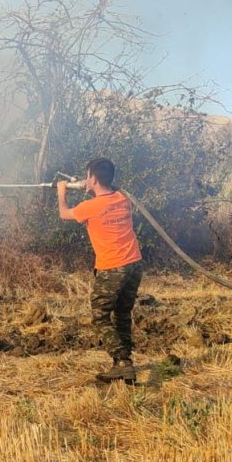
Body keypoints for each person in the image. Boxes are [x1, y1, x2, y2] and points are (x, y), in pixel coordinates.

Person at [58, 158, 143, 384]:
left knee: (100, 316)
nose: (86, 180)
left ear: (93, 178)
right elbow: (107, 195)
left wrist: (61, 190)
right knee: (122, 313)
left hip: (113, 267)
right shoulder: (123, 199)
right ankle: (121, 364)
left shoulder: (90, 207)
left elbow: (64, 213)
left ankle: (123, 362)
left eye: (88, 176)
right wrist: (88, 186)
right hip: (134, 264)